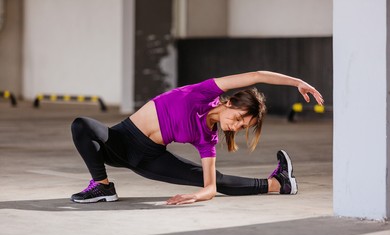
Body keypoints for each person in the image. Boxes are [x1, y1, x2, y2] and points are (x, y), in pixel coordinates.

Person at [70, 70, 324, 205]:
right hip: (119, 140)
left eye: (242, 127)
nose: (235, 128)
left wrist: (199, 195)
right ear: (230, 102)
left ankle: (279, 184)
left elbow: (211, 186)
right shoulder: (204, 93)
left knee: (216, 179)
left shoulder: (208, 137)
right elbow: (256, 76)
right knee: (82, 125)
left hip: (148, 159)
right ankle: (102, 186)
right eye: (238, 119)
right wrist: (297, 82)